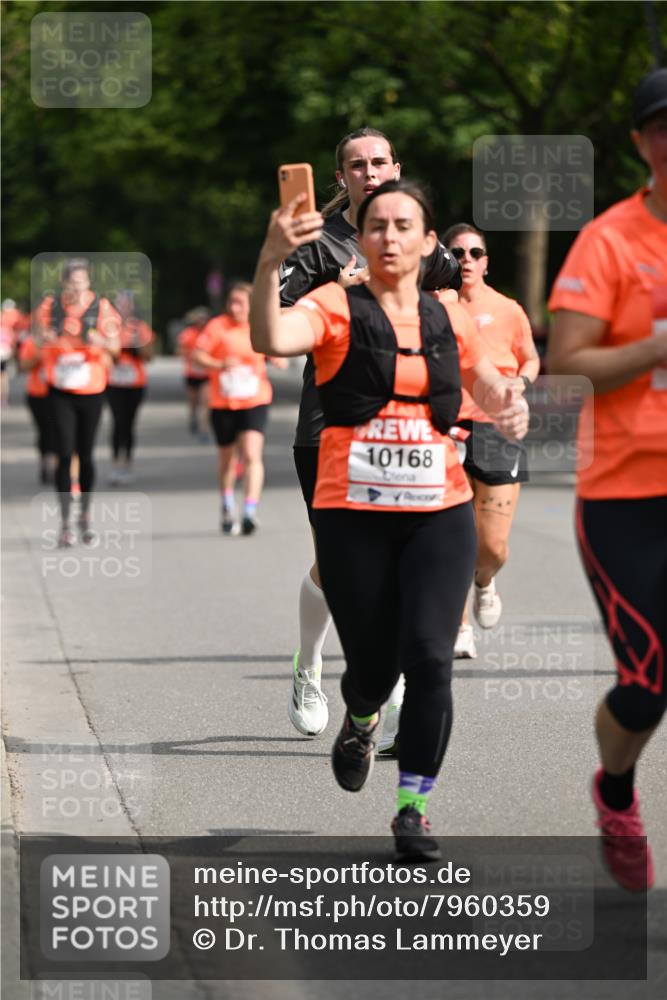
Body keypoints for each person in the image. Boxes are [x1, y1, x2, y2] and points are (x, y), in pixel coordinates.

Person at [251, 179, 528, 858]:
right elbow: (271, 335)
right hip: (353, 514)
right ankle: (361, 714)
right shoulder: (333, 306)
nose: (390, 237)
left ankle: (412, 809)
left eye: (405, 226)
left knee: (431, 659)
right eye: (377, 225)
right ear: (362, 238)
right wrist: (270, 257)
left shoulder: (448, 317)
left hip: (438, 511)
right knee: (373, 668)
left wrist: (508, 401)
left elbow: (486, 378)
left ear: (428, 242)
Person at [547, 67, 667, 892]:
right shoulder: (609, 240)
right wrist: (657, 345)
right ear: (638, 142)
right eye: (662, 128)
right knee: (649, 680)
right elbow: (566, 365)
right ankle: (615, 793)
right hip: (626, 495)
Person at [279, 126, 403, 742]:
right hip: (328, 424)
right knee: (338, 563)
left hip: (404, 424)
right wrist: (340, 294)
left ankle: (395, 690)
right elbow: (275, 320)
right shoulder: (318, 245)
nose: (370, 172)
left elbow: (458, 307)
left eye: (379, 162)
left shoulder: (417, 237)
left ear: (395, 168)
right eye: (358, 165)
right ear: (341, 178)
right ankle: (309, 667)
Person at [443, 223, 540, 659]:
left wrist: (521, 383)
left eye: (474, 253)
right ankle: (459, 625)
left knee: (493, 547)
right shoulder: (435, 306)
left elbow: (530, 358)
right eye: (456, 252)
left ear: (485, 262)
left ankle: (484, 580)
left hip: (497, 426)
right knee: (454, 536)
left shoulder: (508, 309)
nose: (466, 260)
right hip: (447, 425)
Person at [35, 259, 120, 546]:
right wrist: (45, 338)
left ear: (89, 283)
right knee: (64, 452)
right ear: (63, 283)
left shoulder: (102, 308)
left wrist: (101, 342)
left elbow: (116, 346)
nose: (76, 288)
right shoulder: (49, 307)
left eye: (81, 283)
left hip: (91, 388)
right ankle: (65, 522)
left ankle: (85, 513)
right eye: (71, 283)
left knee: (85, 454)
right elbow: (35, 341)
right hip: (59, 388)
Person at [191, 282, 287, 535]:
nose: (235, 307)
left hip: (255, 400)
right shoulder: (217, 326)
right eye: (231, 302)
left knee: (252, 454)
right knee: (228, 459)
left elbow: (277, 349)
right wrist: (220, 364)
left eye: (240, 303)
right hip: (223, 401)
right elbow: (197, 356)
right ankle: (227, 503)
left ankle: (249, 511)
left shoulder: (259, 325)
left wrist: (278, 358)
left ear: (251, 304)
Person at [107, 291, 155, 485]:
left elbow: (149, 356)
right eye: (120, 304)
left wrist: (138, 344)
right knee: (117, 421)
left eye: (127, 304)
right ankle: (115, 464)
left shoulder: (140, 327)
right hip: (113, 382)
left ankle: (127, 463)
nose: (123, 308)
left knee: (129, 423)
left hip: (135, 383)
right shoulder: (108, 327)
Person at [17, 329, 57, 483]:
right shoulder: (31, 343)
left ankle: (56, 464)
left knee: (57, 431)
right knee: (44, 431)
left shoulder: (62, 342)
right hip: (37, 394)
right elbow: (24, 366)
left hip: (59, 394)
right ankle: (45, 463)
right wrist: (40, 352)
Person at [178, 307, 211, 440]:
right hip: (191, 373)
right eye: (200, 319)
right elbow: (180, 351)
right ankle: (193, 418)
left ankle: (204, 428)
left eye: (204, 319)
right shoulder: (188, 333)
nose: (202, 322)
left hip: (206, 374)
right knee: (193, 403)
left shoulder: (210, 333)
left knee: (205, 401)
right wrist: (192, 356)